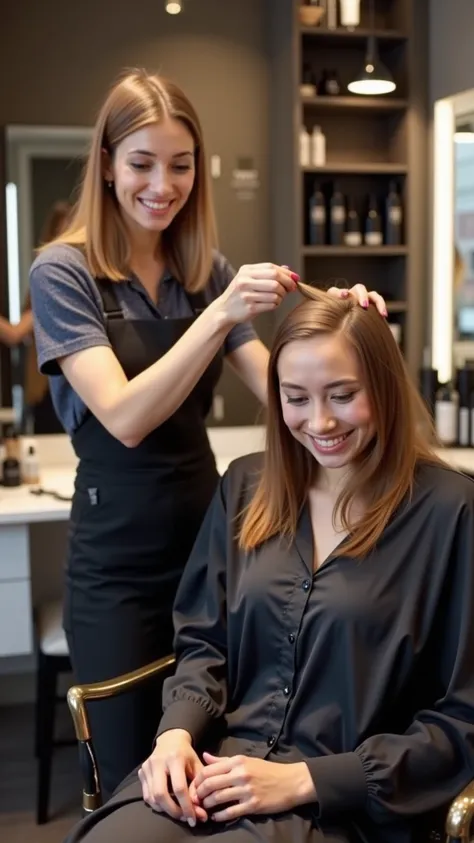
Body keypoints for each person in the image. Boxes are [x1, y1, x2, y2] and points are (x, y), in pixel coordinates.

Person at [29, 68, 387, 799]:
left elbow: (278, 387)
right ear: (105, 162)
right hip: (118, 563)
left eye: (182, 164)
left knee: (215, 759)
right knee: (140, 776)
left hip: (211, 551)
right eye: (142, 163)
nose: (163, 184)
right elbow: (124, 416)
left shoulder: (200, 270)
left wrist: (347, 335)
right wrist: (218, 315)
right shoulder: (62, 272)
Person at [65, 284, 474, 843]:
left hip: (345, 805)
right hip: (218, 769)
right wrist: (175, 737)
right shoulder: (245, 486)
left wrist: (306, 780)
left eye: (343, 394)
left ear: (385, 387)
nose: (320, 421)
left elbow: (463, 718)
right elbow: (205, 644)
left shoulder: (453, 512)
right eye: (296, 397)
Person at [0, 200, 71, 433]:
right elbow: (15, 333)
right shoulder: (47, 282)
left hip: (68, 391)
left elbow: (14, 333)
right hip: (48, 392)